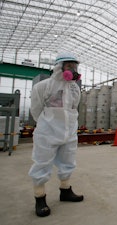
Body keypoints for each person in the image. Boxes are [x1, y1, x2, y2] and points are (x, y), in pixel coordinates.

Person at [29, 52, 84, 217]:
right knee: (42, 163)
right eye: (70, 66)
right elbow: (36, 109)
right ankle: (40, 198)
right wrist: (46, 125)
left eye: (75, 67)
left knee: (68, 161)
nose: (73, 70)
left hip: (69, 132)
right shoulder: (43, 86)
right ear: (59, 67)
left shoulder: (75, 89)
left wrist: (70, 128)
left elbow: (73, 109)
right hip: (48, 132)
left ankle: (65, 190)